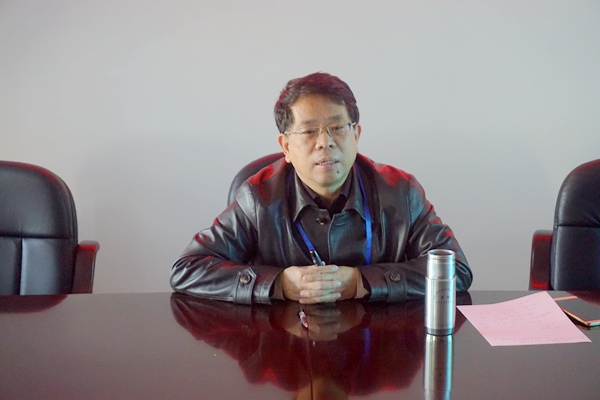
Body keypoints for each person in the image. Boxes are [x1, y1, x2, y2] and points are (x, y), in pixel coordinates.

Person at [171, 72, 472, 304]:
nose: (325, 142)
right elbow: (188, 269)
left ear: (356, 135)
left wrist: (362, 282)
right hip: (286, 351)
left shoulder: (400, 191)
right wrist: (277, 284)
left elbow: (456, 270)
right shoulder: (259, 198)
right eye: (309, 131)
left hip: (379, 354)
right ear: (286, 146)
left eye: (337, 128)